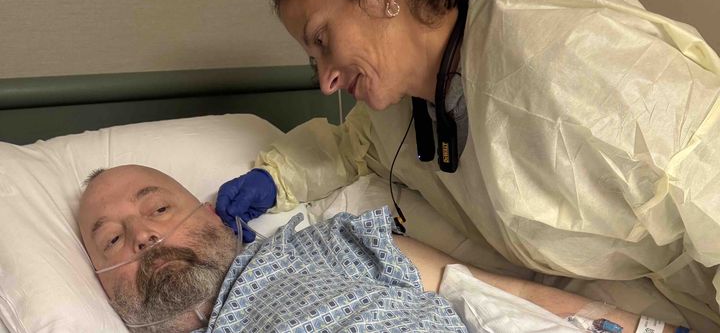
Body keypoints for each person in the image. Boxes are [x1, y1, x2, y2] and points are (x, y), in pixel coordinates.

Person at [215, 0, 720, 331]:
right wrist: (278, 176)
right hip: (647, 294)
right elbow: (357, 146)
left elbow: (705, 169)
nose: (326, 81)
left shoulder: (543, 39)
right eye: (313, 61)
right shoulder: (406, 105)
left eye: (323, 40)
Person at [79, 165, 680, 332]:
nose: (144, 236)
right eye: (112, 239)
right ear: (99, 281)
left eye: (159, 209)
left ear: (213, 216)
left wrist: (650, 330)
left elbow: (503, 294)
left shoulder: (325, 244)